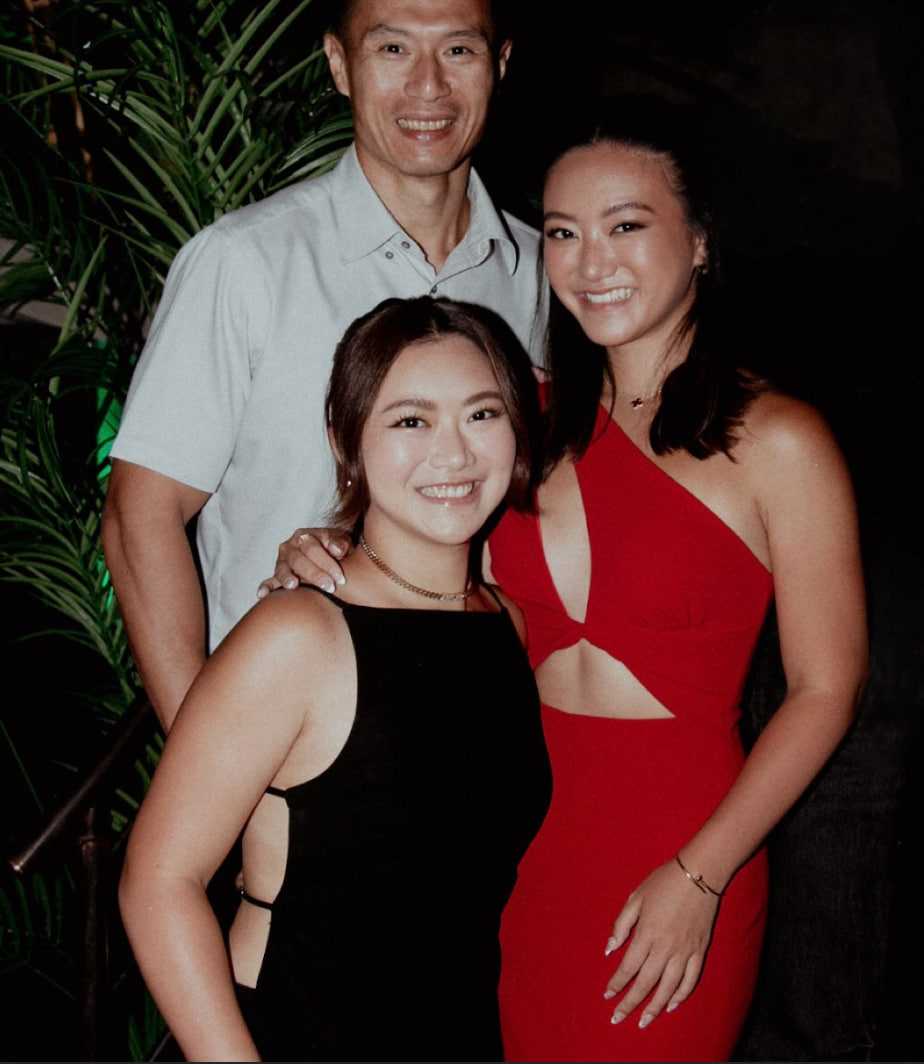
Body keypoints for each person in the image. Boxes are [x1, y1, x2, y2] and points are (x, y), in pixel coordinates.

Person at [268, 115, 868, 1062]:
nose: (591, 261)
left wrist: (700, 877)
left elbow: (828, 688)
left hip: (681, 841)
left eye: (626, 225)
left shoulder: (780, 440)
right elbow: (444, 585)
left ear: (701, 239)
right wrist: (324, 550)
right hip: (508, 831)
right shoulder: (526, 420)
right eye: (561, 231)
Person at [101, 0, 546, 730]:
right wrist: (213, 762)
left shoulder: (539, 274)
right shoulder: (244, 264)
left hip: (488, 723)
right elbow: (141, 518)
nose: (427, 87)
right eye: (391, 49)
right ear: (339, 65)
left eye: (459, 51)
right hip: (300, 738)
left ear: (500, 65)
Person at [118, 296, 552, 1063]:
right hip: (293, 1036)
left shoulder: (504, 626)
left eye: (481, 414)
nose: (452, 454)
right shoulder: (298, 634)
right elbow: (159, 883)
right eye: (410, 421)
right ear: (344, 438)